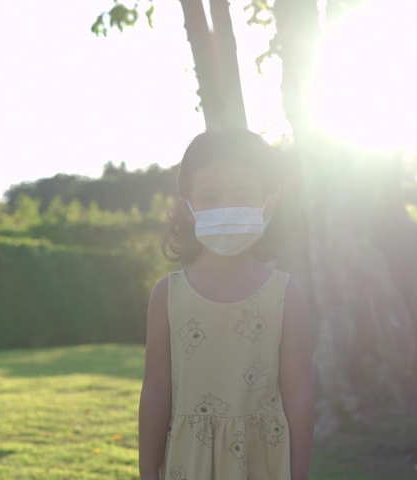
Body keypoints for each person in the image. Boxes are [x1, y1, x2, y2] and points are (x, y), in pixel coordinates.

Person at [138, 128, 314, 480]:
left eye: (242, 195)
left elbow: (298, 395)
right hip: (188, 463)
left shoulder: (285, 295)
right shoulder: (167, 295)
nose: (226, 208)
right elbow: (156, 390)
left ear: (269, 203)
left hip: (262, 462)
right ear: (187, 207)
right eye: (210, 196)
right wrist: (147, 473)